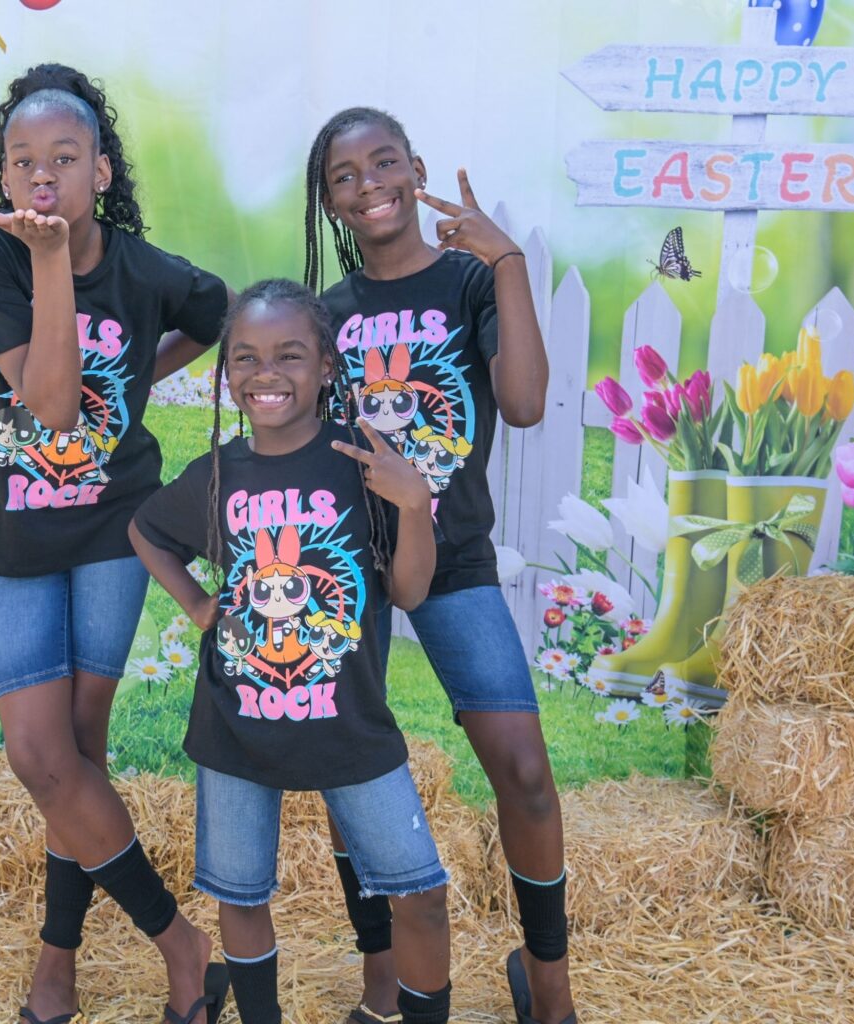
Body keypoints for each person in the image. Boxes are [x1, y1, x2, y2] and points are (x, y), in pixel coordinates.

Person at [0, 64, 231, 1024]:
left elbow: (215, 310)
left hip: (112, 525)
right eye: (22, 159)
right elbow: (50, 404)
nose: (42, 175)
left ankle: (56, 961)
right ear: (4, 171)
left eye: (64, 158)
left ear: (101, 171)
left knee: (81, 744)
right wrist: (51, 259)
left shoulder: (142, 268)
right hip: (18, 532)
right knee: (40, 754)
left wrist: (137, 377)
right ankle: (181, 944)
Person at [304, 107, 576, 1024]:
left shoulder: (468, 281)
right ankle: (382, 979)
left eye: (384, 163)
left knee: (524, 770)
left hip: (452, 556)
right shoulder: (326, 314)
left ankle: (548, 983)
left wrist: (508, 262)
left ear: (416, 170)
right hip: (349, 569)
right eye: (344, 176)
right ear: (330, 202)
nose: (368, 185)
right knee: (351, 770)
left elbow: (525, 404)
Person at [129, 279, 452, 1024]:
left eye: (289, 354)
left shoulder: (362, 464)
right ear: (226, 372)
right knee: (241, 897)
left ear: (328, 366)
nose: (265, 373)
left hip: (350, 726)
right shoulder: (219, 473)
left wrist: (414, 503)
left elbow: (408, 591)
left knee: (421, 894)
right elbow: (146, 531)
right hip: (236, 729)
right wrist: (200, 605)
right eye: (245, 356)